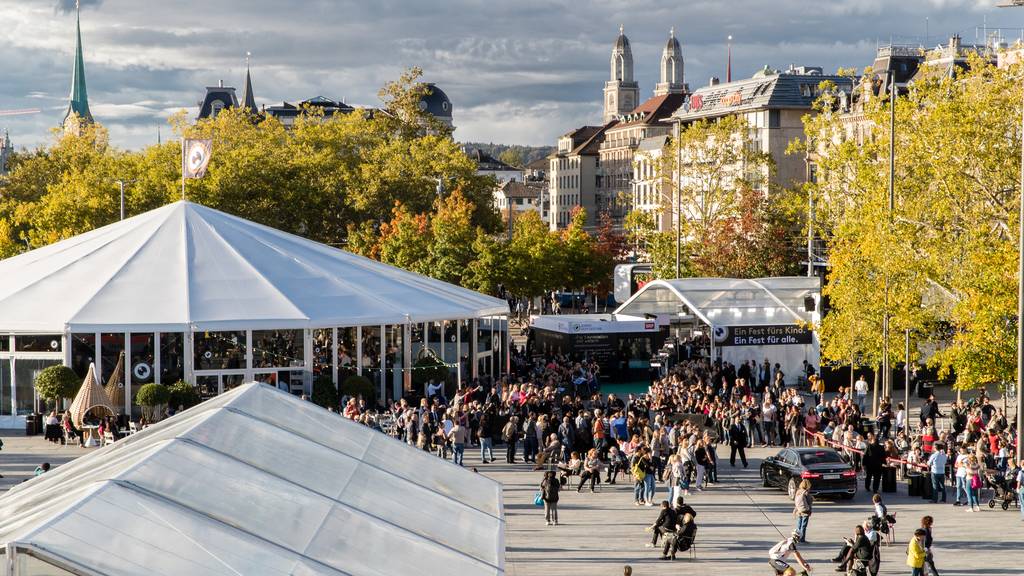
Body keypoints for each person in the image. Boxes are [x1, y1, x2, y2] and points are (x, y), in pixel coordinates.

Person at [793, 479, 813, 543]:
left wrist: (796, 510)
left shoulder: (798, 492)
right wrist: (810, 511)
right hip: (805, 511)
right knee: (803, 526)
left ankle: (797, 538)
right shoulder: (806, 492)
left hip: (799, 510)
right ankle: (802, 539)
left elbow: (796, 501)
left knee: (799, 525)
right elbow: (809, 503)